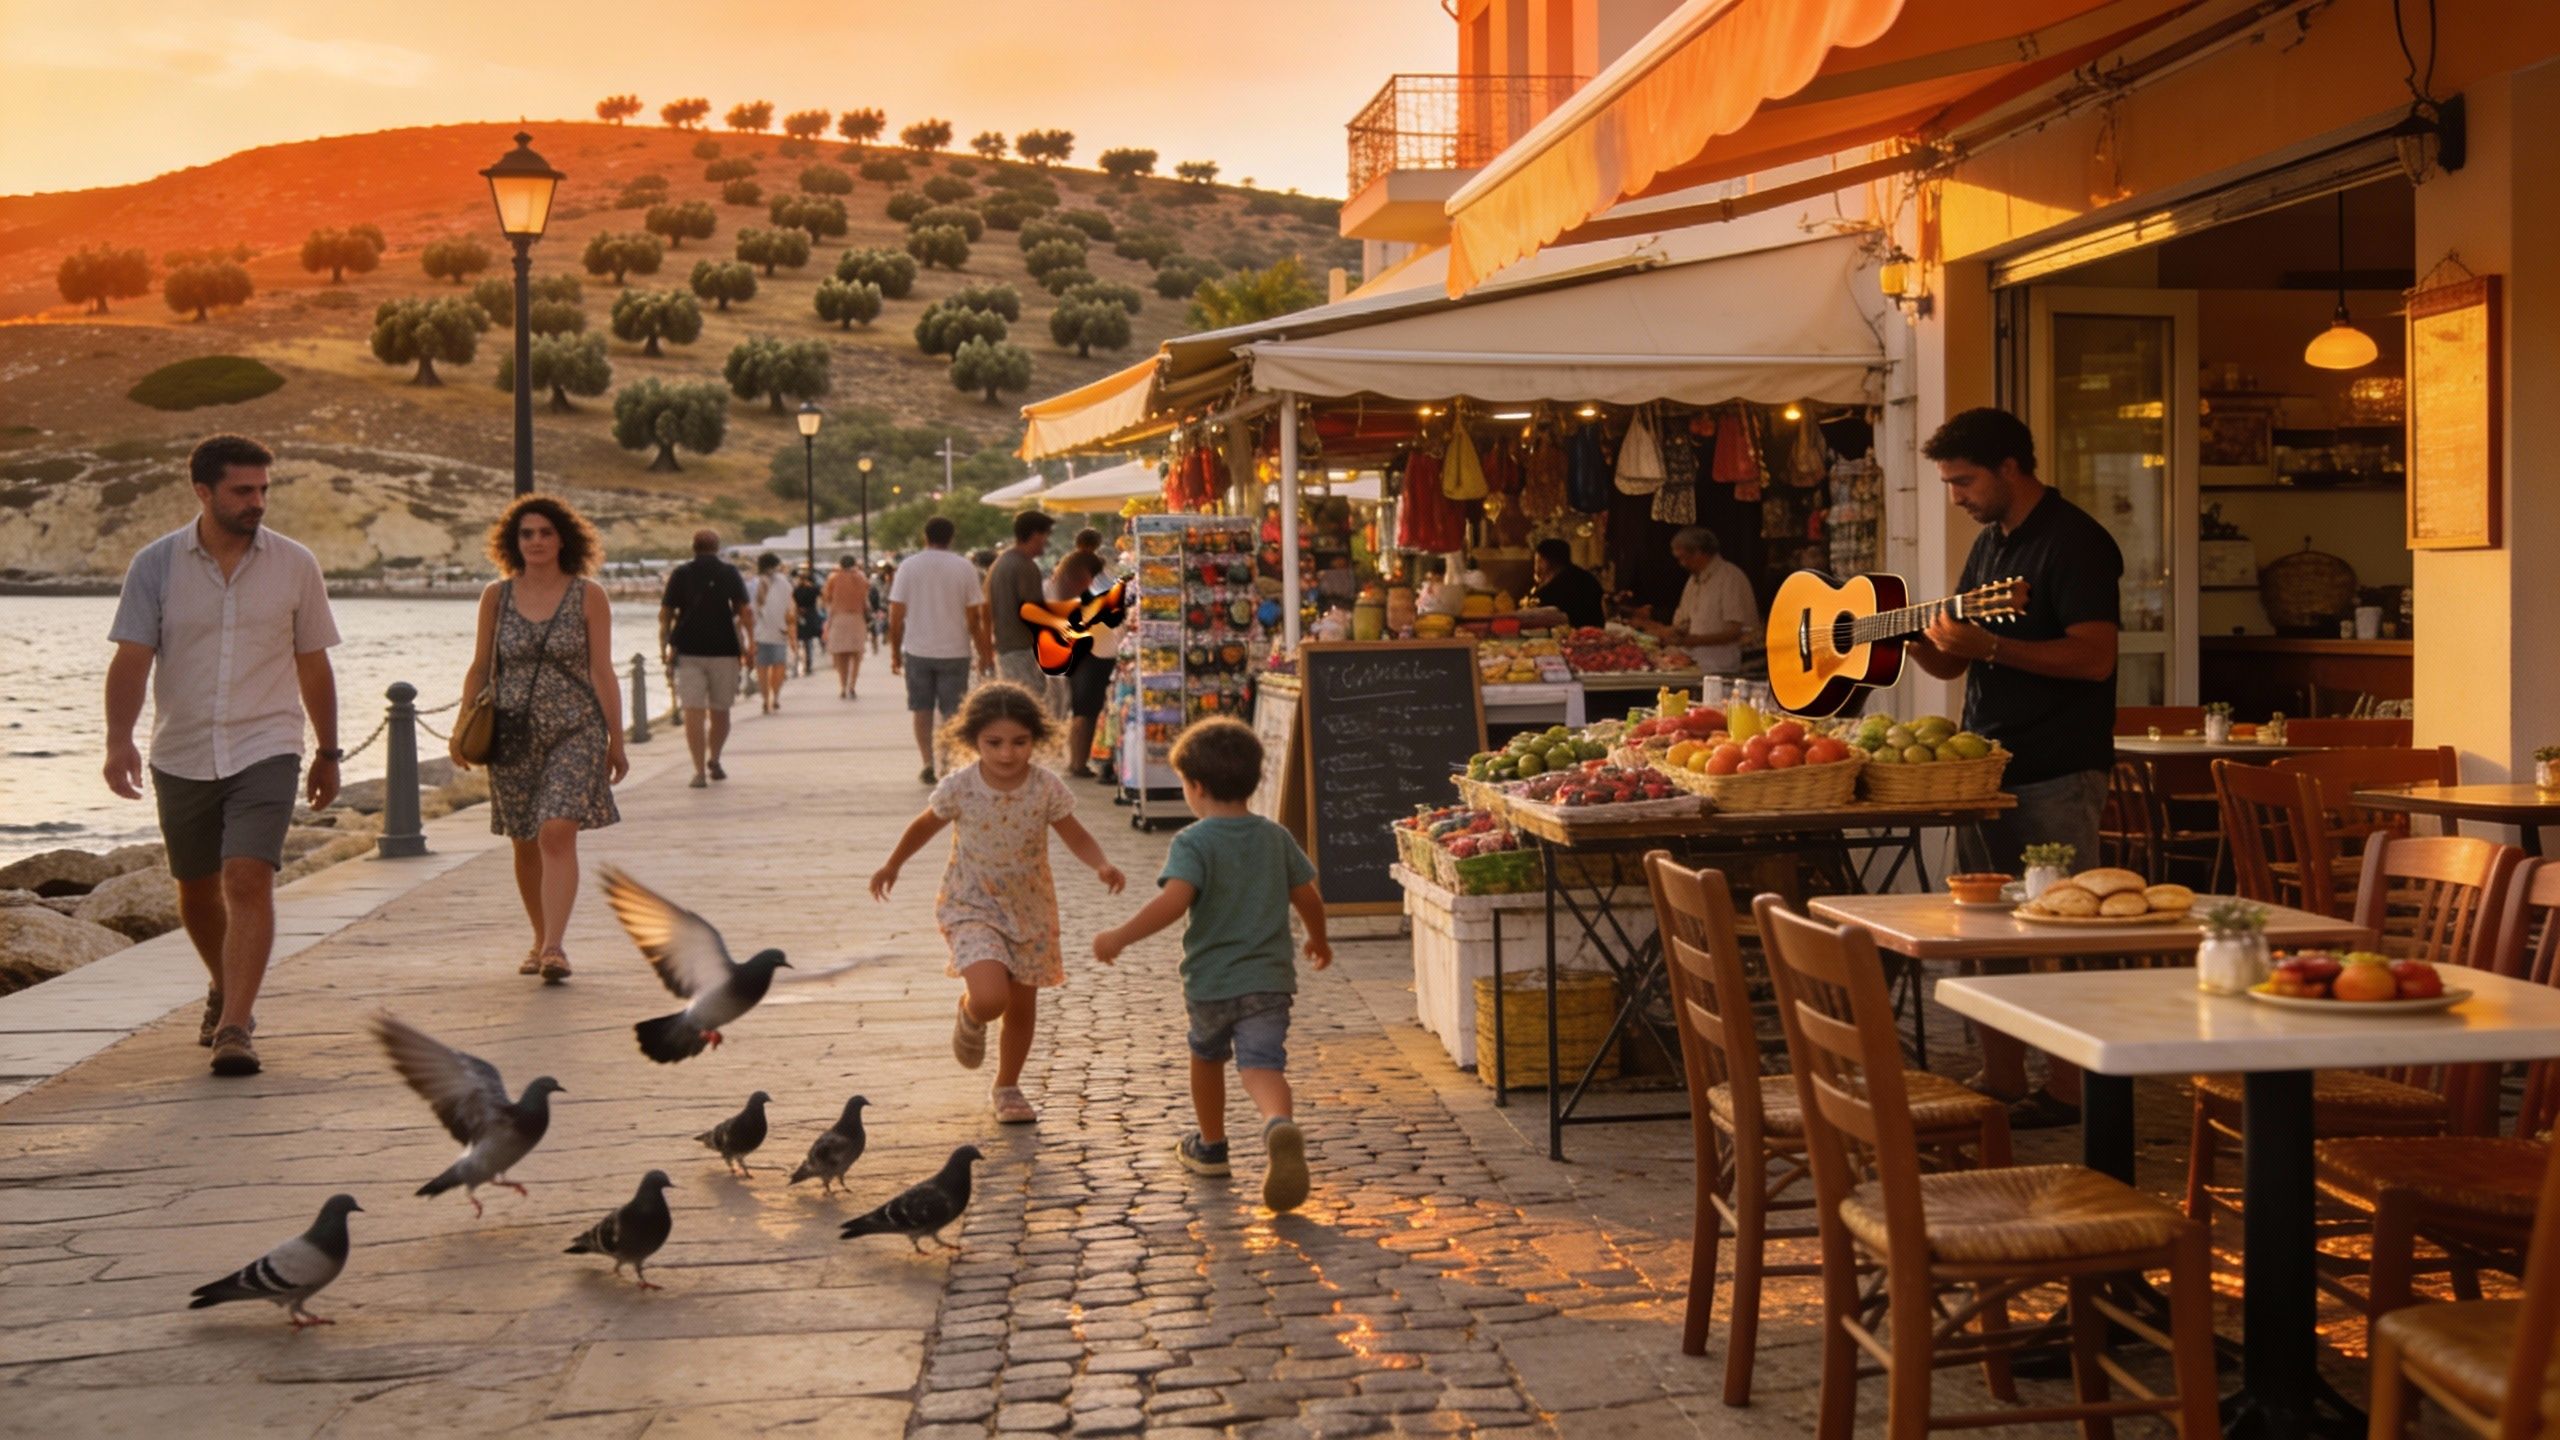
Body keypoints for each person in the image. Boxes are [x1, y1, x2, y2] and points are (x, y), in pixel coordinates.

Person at [1906, 405, 2124, 1129]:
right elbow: (1951, 662)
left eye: (1963, 481)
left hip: (2057, 766)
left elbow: (2095, 659)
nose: (1955, 497)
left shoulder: (2076, 542)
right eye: (1946, 484)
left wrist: (1990, 650)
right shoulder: (1993, 544)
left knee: (2058, 935)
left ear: (2010, 467)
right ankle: (2000, 1078)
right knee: (1987, 934)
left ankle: (2071, 1088)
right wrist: (1914, 640)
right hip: (1986, 767)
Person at [103, 434, 341, 1078]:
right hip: (180, 749)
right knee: (198, 887)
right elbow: (131, 657)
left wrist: (328, 750)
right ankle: (222, 985)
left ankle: (236, 1024)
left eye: (264, 489)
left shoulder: (296, 565)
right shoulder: (155, 566)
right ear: (203, 492)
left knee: (247, 877)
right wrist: (118, 739)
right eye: (243, 490)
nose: (257, 501)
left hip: (267, 744)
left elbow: (312, 661)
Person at [1092, 718, 1330, 1213]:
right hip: (1269, 981)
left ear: (1195, 786)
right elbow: (1307, 895)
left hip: (1212, 983)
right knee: (1262, 1065)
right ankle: (1277, 1124)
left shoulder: (1193, 842)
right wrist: (1317, 939)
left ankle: (1212, 1146)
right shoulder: (1274, 836)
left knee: (1206, 1057)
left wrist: (1120, 936)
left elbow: (1174, 902)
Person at [869, 683, 1125, 1125]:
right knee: (991, 998)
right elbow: (924, 826)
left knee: (1023, 1007)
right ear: (973, 742)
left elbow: (1075, 834)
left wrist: (1100, 864)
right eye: (994, 743)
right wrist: (893, 864)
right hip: (971, 903)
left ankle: (1007, 1086)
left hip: (1031, 909)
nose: (1007, 754)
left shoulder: (1046, 788)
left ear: (1035, 740)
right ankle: (971, 1013)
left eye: (1019, 742)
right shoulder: (960, 788)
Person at [451, 495, 626, 984]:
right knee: (525, 840)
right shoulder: (496, 597)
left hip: (576, 728)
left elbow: (601, 670)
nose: (536, 542)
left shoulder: (587, 595)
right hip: (512, 732)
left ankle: (554, 946)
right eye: (526, 534)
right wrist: (461, 728)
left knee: (555, 831)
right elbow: (482, 666)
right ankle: (538, 936)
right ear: (514, 542)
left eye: (545, 533)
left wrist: (616, 739)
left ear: (564, 539)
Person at [889, 516, 993, 785]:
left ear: (925, 536)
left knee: (921, 709)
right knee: (952, 710)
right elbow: (974, 617)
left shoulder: (908, 567)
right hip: (955, 650)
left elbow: (895, 614)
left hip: (917, 649)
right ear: (951, 537)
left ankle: (927, 762)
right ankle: (946, 761)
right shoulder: (964, 567)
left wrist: (894, 652)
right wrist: (984, 653)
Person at [659, 530, 754, 789]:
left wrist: (664, 646)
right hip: (725, 650)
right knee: (721, 710)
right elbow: (744, 611)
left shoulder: (681, 574)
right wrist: (749, 644)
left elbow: (666, 614)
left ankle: (699, 771)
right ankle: (715, 758)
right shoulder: (729, 573)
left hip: (689, 650)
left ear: (693, 547)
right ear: (717, 547)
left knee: (693, 711)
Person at [1643, 527, 1759, 674]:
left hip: (1720, 667)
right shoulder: (1693, 580)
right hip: (1692, 664)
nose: (1681, 564)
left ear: (1698, 553)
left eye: (1683, 557)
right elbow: (1687, 622)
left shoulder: (1730, 577)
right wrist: (1666, 633)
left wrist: (1693, 641)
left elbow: (1735, 632)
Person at [1050, 549, 1119, 780]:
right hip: (1095, 655)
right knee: (1085, 711)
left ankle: (1078, 762)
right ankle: (1077, 763)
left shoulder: (1064, 587)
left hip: (1083, 655)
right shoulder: (1091, 589)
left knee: (1083, 711)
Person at [986, 510, 1057, 700]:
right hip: (1022, 649)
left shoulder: (1000, 563)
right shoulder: (1026, 566)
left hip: (1005, 647)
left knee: (1014, 704)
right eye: (1045, 536)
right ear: (1035, 535)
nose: (1046, 543)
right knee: (1029, 704)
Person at [750, 553, 796, 713]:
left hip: (759, 632)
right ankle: (775, 696)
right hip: (779, 630)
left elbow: (749, 609)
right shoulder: (784, 582)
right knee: (779, 666)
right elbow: (790, 608)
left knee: (762, 668)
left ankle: (765, 699)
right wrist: (792, 632)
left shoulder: (755, 583)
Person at [1525, 537, 1606, 628]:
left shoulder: (1551, 589)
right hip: (1598, 632)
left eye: (1538, 561)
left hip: (1572, 636)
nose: (1536, 567)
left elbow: (1537, 617)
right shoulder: (1586, 577)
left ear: (1545, 562)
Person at [822, 555, 871, 699]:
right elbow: (865, 600)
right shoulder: (862, 579)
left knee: (840, 655)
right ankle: (852, 686)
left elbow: (827, 598)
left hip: (839, 617)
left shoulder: (833, 579)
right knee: (856, 655)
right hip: (857, 617)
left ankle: (843, 686)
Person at [792, 565, 825, 679]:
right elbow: (821, 595)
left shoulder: (796, 590)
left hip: (799, 616)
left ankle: (797, 667)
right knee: (808, 642)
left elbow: (793, 602)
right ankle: (807, 666)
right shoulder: (813, 589)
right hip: (810, 615)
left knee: (799, 642)